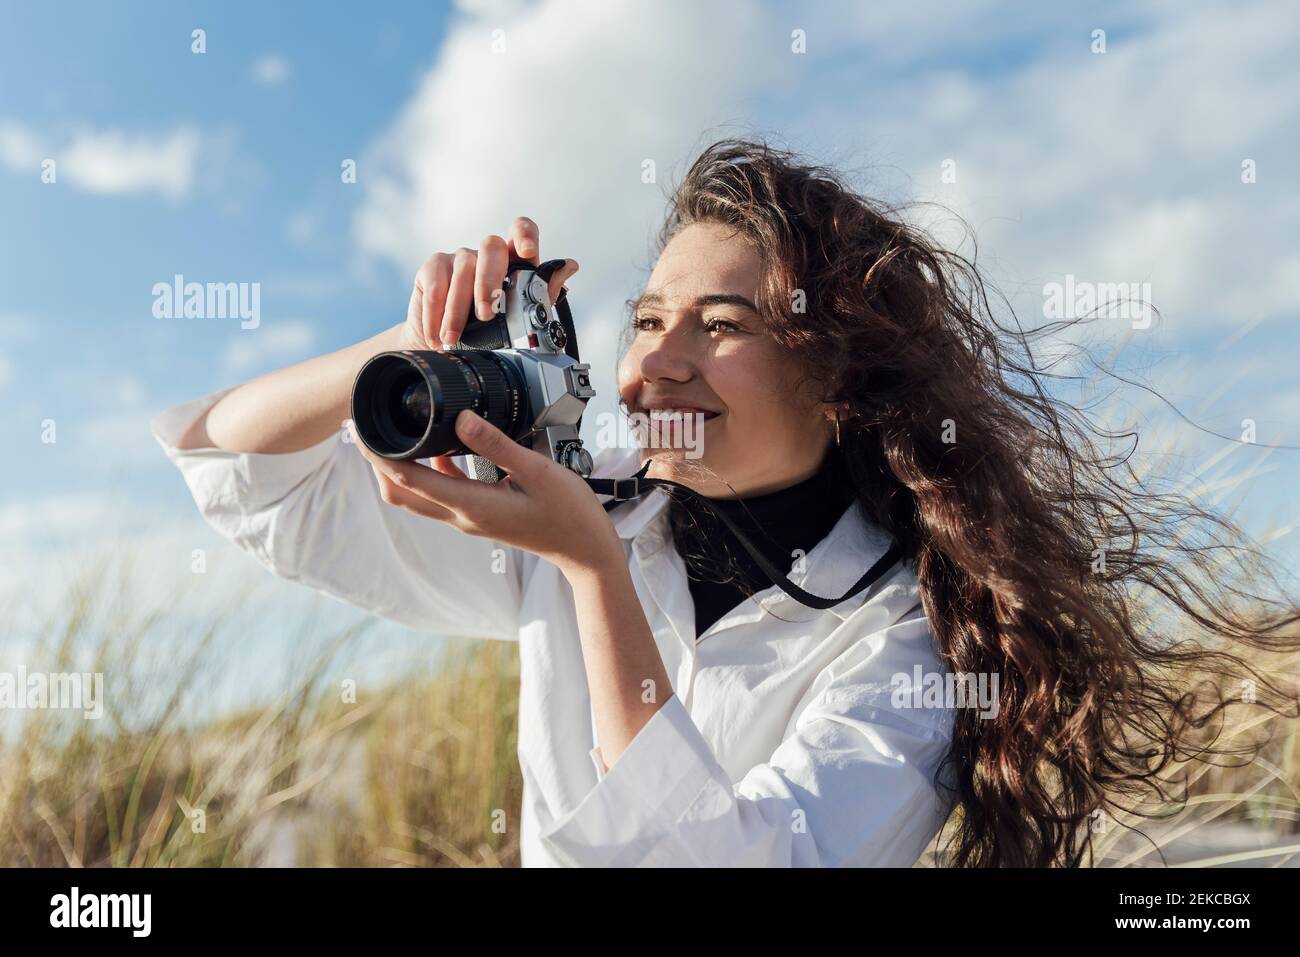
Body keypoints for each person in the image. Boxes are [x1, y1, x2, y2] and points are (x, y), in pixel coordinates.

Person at [152, 138, 1300, 867]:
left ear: (841, 374)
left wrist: (592, 575)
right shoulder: (585, 515)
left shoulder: (908, 639)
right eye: (647, 320)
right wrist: (408, 344)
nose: (660, 363)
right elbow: (234, 469)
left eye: (725, 323)